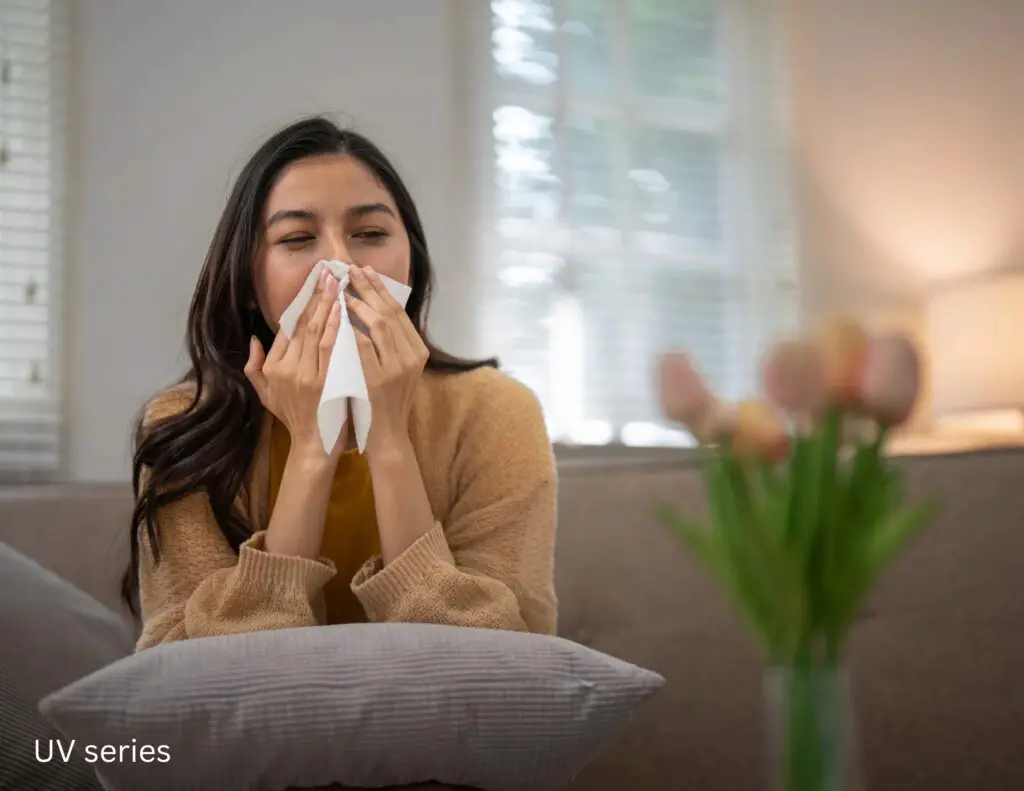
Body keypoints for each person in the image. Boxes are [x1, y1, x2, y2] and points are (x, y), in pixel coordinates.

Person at [123, 116, 558, 650]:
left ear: (412, 265)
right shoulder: (184, 424)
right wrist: (313, 445)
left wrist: (388, 438)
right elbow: (186, 668)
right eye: (298, 237)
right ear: (247, 285)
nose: (340, 264)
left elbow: (508, 653)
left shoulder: (496, 411)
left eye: (370, 234)